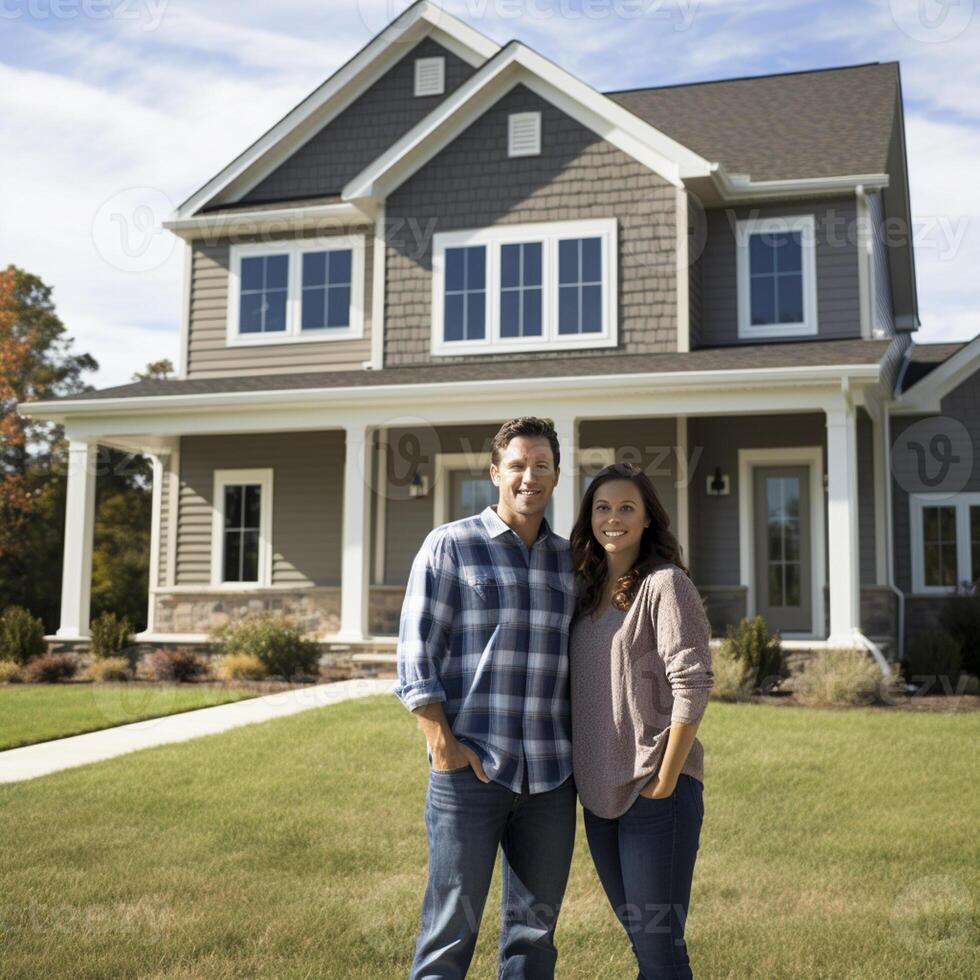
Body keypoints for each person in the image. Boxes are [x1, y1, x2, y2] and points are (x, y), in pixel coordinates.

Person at [394, 416, 578, 980]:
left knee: (535, 936)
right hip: (469, 772)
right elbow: (415, 657)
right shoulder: (451, 546)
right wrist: (443, 746)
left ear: (556, 475)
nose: (530, 477)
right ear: (495, 472)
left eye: (541, 466)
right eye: (518, 465)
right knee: (451, 928)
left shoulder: (572, 562)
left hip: (550, 779)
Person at [569, 462, 714, 980]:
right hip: (599, 798)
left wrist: (667, 778)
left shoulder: (665, 586)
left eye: (627, 507)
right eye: (602, 508)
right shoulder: (584, 592)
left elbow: (693, 683)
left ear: (648, 518)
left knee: (659, 950)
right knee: (644, 947)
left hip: (656, 796)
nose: (613, 518)